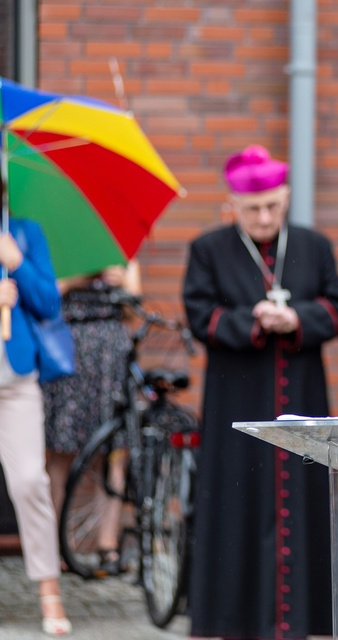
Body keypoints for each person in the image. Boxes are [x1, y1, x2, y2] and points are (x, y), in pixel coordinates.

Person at [182, 144, 338, 639]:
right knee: (235, 508)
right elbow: (200, 315)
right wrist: (253, 321)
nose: (264, 217)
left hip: (302, 398)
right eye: (253, 208)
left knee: (303, 506)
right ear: (232, 205)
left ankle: (301, 623)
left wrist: (298, 317)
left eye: (273, 206)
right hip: (235, 404)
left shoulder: (312, 245)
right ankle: (235, 622)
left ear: (286, 199)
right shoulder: (208, 248)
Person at [42, 260, 142, 576]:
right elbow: (44, 299)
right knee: (60, 453)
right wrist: (78, 277)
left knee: (113, 453)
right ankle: (53, 545)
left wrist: (125, 282)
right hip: (67, 351)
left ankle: (107, 544)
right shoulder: (58, 249)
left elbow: (133, 311)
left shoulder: (122, 252)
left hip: (112, 356)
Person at [0, 216, 72, 636]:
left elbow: (48, 302)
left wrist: (18, 263)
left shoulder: (23, 230)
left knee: (30, 481)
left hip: (17, 382)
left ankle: (49, 590)